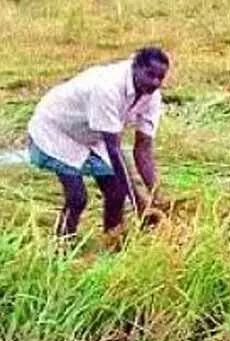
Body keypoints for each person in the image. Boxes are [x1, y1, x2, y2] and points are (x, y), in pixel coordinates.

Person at [26, 46, 169, 237]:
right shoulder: (107, 87)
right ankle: (61, 249)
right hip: (56, 130)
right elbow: (114, 149)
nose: (154, 82)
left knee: (117, 192)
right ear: (135, 67)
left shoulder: (152, 97)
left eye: (160, 78)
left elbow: (143, 148)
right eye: (150, 74)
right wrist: (137, 201)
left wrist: (156, 195)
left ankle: (113, 243)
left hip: (92, 133)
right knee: (77, 198)